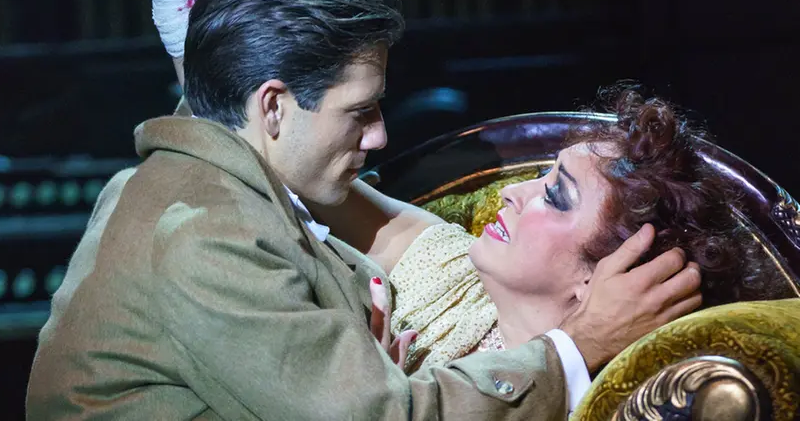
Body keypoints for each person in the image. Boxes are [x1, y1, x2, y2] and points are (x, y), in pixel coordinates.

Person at [25, 0, 702, 419]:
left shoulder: (201, 179)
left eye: (554, 193)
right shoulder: (209, 233)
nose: (379, 136)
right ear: (272, 107)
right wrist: (575, 348)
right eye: (359, 110)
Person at [312, 83, 786, 374]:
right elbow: (305, 173)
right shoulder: (450, 271)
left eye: (555, 195)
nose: (511, 192)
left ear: (612, 277)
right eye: (543, 175)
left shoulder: (600, 397)